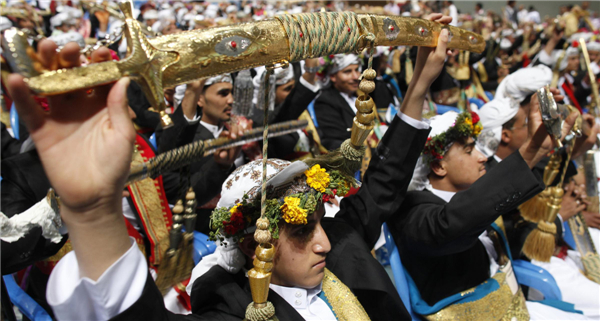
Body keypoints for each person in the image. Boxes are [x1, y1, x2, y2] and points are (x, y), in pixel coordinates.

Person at [7, 13, 455, 321]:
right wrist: (92, 213)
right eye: (301, 228)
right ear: (248, 241)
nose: (323, 243)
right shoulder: (233, 306)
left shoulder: (338, 244)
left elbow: (384, 183)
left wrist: (419, 86)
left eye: (320, 222)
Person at [387, 89, 588, 319]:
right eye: (469, 150)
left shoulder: (470, 192)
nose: (482, 157)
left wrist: (538, 150)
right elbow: (451, 223)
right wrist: (530, 150)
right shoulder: (414, 211)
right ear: (439, 167)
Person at [313, 53, 362, 150]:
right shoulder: (325, 101)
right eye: (347, 72)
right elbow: (336, 140)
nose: (356, 77)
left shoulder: (361, 95)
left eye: (357, 70)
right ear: (332, 76)